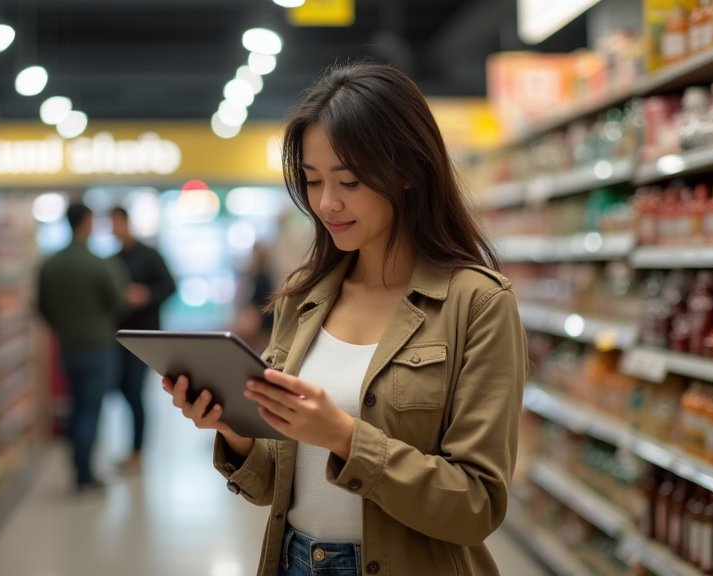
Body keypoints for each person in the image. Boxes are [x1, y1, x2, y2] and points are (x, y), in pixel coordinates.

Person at [161, 61, 526, 576]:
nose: (327, 203)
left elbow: (476, 505)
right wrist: (233, 428)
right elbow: (272, 484)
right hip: (293, 560)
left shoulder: (478, 304)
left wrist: (345, 437)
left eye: (350, 181)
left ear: (407, 173)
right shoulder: (302, 298)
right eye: (312, 181)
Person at [37, 203, 130, 492]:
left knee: (76, 407)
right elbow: (119, 302)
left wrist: (64, 327)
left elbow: (42, 307)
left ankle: (78, 466)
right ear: (87, 223)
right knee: (91, 409)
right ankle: (84, 474)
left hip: (68, 346)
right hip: (99, 346)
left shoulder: (50, 265)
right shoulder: (99, 263)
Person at [111, 206, 176, 474]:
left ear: (127, 223)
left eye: (117, 223)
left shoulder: (149, 255)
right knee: (125, 391)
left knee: (134, 392)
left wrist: (146, 295)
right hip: (119, 336)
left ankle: (137, 452)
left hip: (145, 335)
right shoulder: (112, 260)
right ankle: (132, 450)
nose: (114, 229)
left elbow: (170, 286)